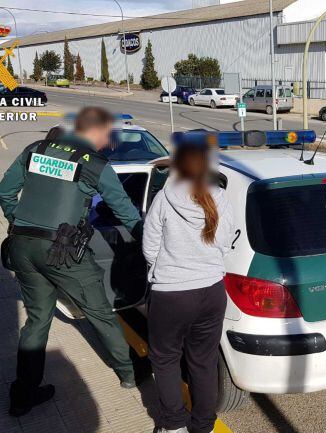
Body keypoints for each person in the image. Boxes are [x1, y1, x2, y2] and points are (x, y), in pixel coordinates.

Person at [0, 107, 142, 416]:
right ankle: (129, 373)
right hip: (61, 252)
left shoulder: (37, 149)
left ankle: (24, 394)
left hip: (22, 247)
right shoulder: (96, 165)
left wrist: (20, 224)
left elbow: (6, 191)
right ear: (98, 131)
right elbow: (126, 212)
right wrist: (150, 241)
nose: (107, 141)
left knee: (37, 321)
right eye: (107, 135)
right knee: (100, 312)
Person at [142, 134, 235, 433]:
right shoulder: (220, 198)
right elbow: (224, 244)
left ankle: (173, 426)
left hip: (171, 294)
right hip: (211, 293)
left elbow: (149, 247)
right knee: (203, 362)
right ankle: (203, 426)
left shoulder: (164, 197)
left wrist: (161, 271)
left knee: (166, 360)